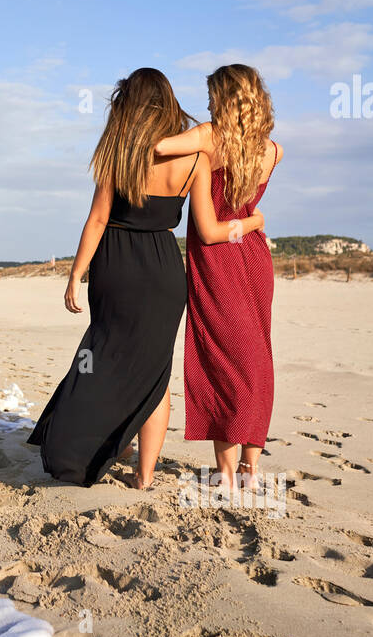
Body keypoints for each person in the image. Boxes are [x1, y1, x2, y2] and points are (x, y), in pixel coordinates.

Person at [27, 67, 264, 488]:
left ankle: (84, 445)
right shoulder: (196, 159)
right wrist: (250, 222)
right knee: (156, 374)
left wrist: (75, 274)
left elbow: (98, 219)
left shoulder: (121, 152)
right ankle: (145, 475)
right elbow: (210, 227)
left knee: (102, 357)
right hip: (164, 271)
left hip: (116, 266)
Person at [154, 64, 282, 490]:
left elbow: (154, 147)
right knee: (256, 360)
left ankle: (227, 475)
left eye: (212, 97)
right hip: (255, 259)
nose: (207, 104)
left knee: (222, 362)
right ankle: (249, 470)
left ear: (226, 99)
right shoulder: (273, 150)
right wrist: (253, 222)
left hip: (217, 262)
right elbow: (248, 213)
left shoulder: (210, 136)